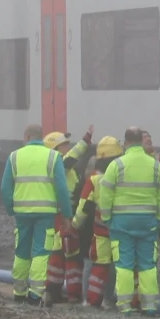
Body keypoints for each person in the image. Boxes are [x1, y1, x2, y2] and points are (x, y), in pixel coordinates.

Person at [98, 127, 160, 315]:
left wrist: (107, 217)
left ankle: (125, 305)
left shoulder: (117, 165)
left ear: (126, 142)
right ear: (140, 141)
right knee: (148, 265)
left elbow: (105, 194)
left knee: (124, 264)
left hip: (122, 223)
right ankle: (150, 306)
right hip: (148, 221)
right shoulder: (156, 166)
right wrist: (159, 218)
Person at [1, 124, 73, 305]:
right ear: (41, 137)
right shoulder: (53, 157)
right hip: (46, 214)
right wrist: (67, 215)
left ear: (26, 136)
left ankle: (18, 292)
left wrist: (11, 208)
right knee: (41, 252)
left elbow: (5, 188)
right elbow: (62, 189)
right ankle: (35, 295)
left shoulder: (14, 156)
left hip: (22, 214)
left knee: (22, 251)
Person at [43, 125, 94, 303]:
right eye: (64, 144)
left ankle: (55, 291)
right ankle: (70, 294)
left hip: (61, 216)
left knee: (59, 254)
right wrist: (86, 139)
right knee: (69, 254)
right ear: (54, 149)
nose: (68, 147)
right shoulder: (61, 165)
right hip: (64, 217)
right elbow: (74, 156)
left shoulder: (63, 168)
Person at [71, 136, 122, 309]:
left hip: (100, 233)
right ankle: (109, 299)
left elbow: (83, 205)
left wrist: (76, 224)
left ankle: (91, 300)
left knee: (98, 265)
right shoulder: (123, 176)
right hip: (120, 230)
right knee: (115, 266)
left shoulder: (93, 180)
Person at [130, 130, 160, 311]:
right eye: (144, 138)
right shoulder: (146, 163)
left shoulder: (158, 160)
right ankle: (145, 292)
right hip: (150, 216)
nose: (148, 139)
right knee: (149, 257)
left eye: (149, 137)